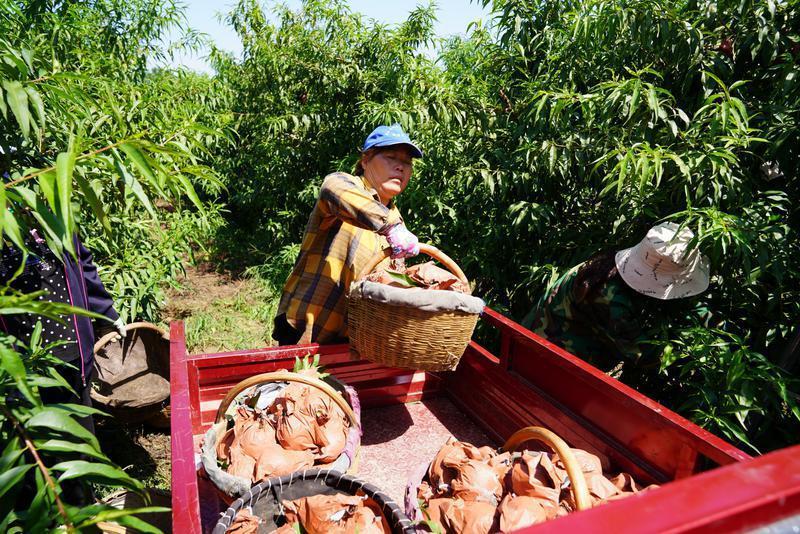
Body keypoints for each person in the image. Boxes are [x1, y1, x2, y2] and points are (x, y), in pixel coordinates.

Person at [273, 124, 423, 345]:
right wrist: (390, 227)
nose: (400, 167)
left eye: (407, 162)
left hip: (351, 337)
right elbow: (331, 187)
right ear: (365, 160)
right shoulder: (349, 188)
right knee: (299, 380)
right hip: (308, 327)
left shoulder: (396, 218)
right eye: (391, 157)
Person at [524, 222, 710, 370]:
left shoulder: (607, 265)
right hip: (547, 359)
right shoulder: (613, 301)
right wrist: (690, 351)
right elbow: (643, 356)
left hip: (533, 339)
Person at [0, 229, 125, 433]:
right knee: (27, 430)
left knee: (77, 424)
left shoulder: (48, 209)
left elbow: (80, 260)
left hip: (68, 341)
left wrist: (105, 310)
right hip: (16, 353)